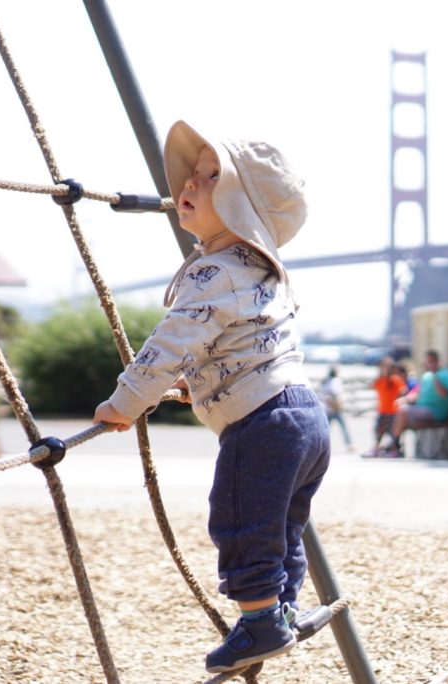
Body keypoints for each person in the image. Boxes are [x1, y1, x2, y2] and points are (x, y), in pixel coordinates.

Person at [92, 120, 329, 674]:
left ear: (243, 208)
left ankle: (261, 621)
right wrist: (191, 384)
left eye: (211, 178)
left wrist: (126, 402)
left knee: (241, 520)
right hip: (304, 416)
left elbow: (169, 344)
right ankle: (281, 610)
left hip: (263, 423)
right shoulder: (262, 271)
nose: (190, 186)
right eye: (193, 176)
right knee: (281, 526)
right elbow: (238, 344)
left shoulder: (212, 272)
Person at [387, 350, 448, 458]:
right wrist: (405, 399)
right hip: (421, 409)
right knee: (396, 411)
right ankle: (394, 446)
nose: (430, 365)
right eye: (428, 362)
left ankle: (394, 446)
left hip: (436, 412)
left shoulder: (445, 374)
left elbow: (444, 394)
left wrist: (436, 378)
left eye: (433, 362)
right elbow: (417, 393)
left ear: (438, 362)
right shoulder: (426, 376)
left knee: (403, 411)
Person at [365, 356, 406, 456]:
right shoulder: (380, 380)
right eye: (383, 367)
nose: (385, 369)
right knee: (379, 431)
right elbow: (370, 386)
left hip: (393, 411)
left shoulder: (395, 379)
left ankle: (394, 449)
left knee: (393, 433)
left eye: (387, 367)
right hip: (382, 410)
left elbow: (404, 391)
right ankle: (376, 449)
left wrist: (400, 399)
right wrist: (380, 375)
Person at [319, 365, 354, 451]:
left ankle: (322, 445)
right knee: (343, 427)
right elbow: (336, 394)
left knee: (326, 429)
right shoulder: (335, 381)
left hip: (328, 407)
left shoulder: (325, 381)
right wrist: (338, 405)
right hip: (335, 407)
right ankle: (349, 444)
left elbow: (323, 395)